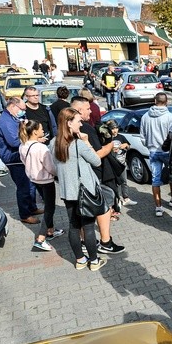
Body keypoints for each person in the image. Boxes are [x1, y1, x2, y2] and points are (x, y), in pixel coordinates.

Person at [50, 107, 108, 271]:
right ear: (69, 123)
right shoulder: (78, 145)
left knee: (74, 227)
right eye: (78, 121)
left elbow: (54, 166)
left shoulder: (53, 143)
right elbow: (97, 161)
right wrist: (87, 142)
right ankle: (94, 261)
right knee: (88, 228)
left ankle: (80, 260)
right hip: (85, 192)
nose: (81, 124)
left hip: (67, 192)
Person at [69, 97, 126, 255]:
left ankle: (87, 241)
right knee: (104, 205)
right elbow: (96, 155)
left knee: (82, 211)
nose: (91, 111)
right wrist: (110, 144)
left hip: (77, 179)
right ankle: (105, 242)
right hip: (92, 177)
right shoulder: (84, 129)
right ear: (79, 111)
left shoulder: (64, 133)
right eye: (88, 108)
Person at [19, 119, 63, 251]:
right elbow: (50, 167)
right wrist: (58, 174)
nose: (43, 130)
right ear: (34, 131)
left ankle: (50, 230)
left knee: (47, 206)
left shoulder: (23, 145)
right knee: (50, 209)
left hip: (34, 179)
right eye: (41, 128)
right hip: (47, 181)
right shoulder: (41, 148)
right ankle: (41, 238)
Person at [0, 96, 43, 223]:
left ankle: (32, 207)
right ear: (13, 106)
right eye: (22, 109)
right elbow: (13, 142)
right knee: (24, 186)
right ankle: (25, 215)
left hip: (22, 155)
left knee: (31, 183)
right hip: (13, 158)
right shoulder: (6, 121)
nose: (23, 111)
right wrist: (34, 140)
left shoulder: (13, 117)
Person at [141, 92, 172, 217]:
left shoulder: (145, 116)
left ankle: (158, 207)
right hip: (167, 152)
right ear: (166, 101)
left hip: (153, 151)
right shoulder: (170, 117)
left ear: (155, 101)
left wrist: (149, 145)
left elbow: (142, 136)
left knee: (155, 180)